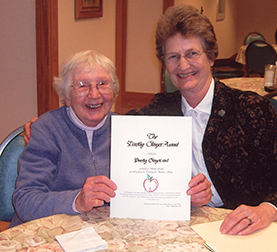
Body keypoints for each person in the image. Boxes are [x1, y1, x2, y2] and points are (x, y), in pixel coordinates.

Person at [22, 6, 277, 235]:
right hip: (185, 228)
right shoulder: (158, 110)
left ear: (211, 56)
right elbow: (106, 123)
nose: (183, 65)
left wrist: (266, 211)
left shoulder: (251, 109)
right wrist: (53, 123)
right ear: (164, 64)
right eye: (172, 57)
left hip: (248, 230)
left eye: (192, 53)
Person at [11, 50, 210, 228]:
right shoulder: (47, 129)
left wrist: (187, 195)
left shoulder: (128, 130)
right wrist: (77, 200)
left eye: (102, 84)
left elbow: (149, 190)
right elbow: (25, 200)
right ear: (66, 96)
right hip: (52, 234)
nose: (94, 94)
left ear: (113, 92)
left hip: (103, 234)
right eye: (82, 86)